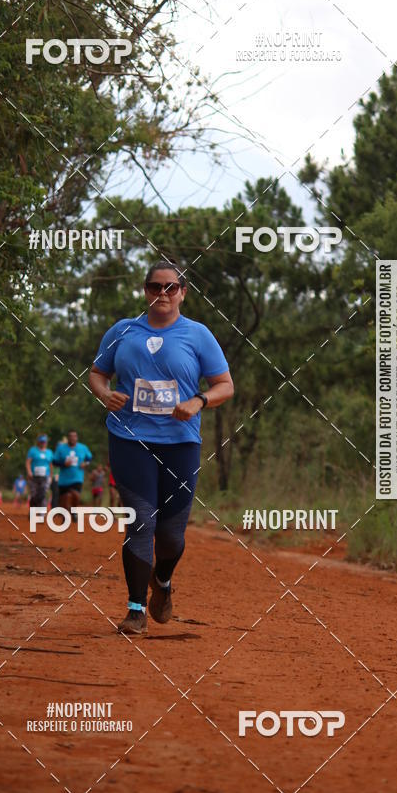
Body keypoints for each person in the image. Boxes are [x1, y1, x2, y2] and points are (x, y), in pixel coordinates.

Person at [89, 259, 234, 636]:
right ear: (145, 291)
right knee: (140, 521)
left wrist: (199, 401)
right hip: (129, 438)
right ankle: (135, 610)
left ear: (183, 292)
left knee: (171, 535)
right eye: (156, 287)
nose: (163, 294)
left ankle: (163, 581)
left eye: (171, 287)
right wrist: (105, 394)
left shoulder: (198, 334)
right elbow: (97, 373)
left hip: (180, 443)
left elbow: (225, 385)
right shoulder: (122, 331)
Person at [53, 430, 93, 515]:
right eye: (70, 436)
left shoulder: (83, 448)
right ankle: (66, 515)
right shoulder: (61, 448)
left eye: (74, 436)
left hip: (77, 477)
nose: (72, 438)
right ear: (68, 438)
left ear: (77, 438)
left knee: (76, 496)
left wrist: (85, 463)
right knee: (64, 498)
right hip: (64, 479)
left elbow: (89, 459)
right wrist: (63, 464)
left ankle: (74, 511)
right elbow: (54, 462)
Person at [26, 434, 54, 507]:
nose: (43, 443)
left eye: (44, 442)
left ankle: (42, 512)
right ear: (38, 442)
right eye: (41, 442)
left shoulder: (49, 452)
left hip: (45, 477)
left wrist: (51, 476)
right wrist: (29, 472)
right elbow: (28, 462)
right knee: (34, 495)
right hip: (34, 477)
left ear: (46, 442)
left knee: (43, 494)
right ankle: (33, 511)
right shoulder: (33, 450)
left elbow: (51, 465)